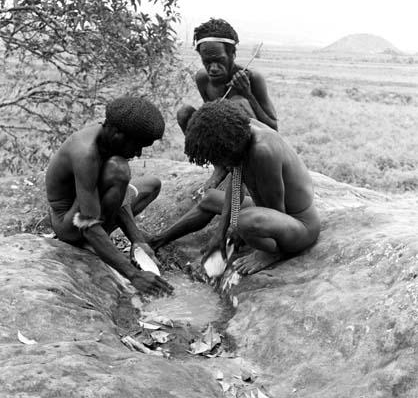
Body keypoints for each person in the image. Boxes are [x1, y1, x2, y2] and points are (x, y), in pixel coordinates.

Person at [150, 100, 320, 275]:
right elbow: (236, 180)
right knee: (210, 199)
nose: (222, 166)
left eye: (220, 161)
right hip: (269, 213)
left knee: (243, 221)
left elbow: (277, 209)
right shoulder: (240, 135)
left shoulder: (263, 151)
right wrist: (220, 234)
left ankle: (271, 253)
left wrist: (242, 232)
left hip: (299, 225)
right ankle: (158, 240)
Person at [46, 95, 173, 296]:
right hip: (70, 224)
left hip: (90, 205)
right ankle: (93, 244)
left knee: (151, 185)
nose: (138, 153)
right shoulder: (86, 154)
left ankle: (102, 240)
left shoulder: (109, 138)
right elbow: (86, 224)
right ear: (117, 133)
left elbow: (118, 195)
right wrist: (134, 275)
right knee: (119, 171)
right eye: (137, 145)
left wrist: (138, 241)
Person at [177, 18, 277, 190]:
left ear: (232, 54)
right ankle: (220, 168)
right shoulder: (203, 79)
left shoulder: (252, 78)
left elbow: (273, 130)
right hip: (227, 146)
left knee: (238, 103)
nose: (213, 68)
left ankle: (247, 173)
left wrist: (248, 94)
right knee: (184, 113)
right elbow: (212, 120)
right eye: (207, 62)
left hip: (256, 151)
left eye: (219, 60)